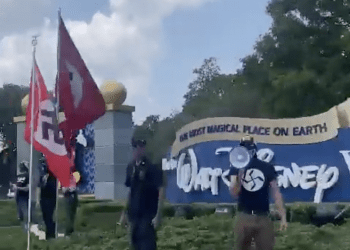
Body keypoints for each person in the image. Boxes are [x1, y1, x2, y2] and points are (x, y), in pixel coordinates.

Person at [229, 135, 288, 250]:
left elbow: (276, 194)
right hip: (244, 215)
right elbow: (234, 193)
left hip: (263, 216)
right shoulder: (236, 167)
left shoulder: (267, 167)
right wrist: (239, 176)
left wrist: (283, 217)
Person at [125, 138, 164, 250]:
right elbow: (130, 191)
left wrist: (158, 215)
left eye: (140, 147)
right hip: (134, 218)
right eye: (135, 148)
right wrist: (124, 213)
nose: (137, 150)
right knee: (135, 245)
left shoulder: (151, 167)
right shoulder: (130, 167)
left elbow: (161, 189)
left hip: (147, 217)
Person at [38, 155, 57, 240]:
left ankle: (51, 235)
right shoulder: (42, 175)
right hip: (43, 197)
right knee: (45, 217)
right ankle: (49, 234)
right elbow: (39, 186)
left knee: (49, 216)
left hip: (50, 197)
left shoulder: (53, 175)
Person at [14, 161, 30, 232]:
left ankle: (26, 227)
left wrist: (17, 189)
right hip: (19, 197)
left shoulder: (27, 175)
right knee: (20, 215)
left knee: (25, 213)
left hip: (24, 197)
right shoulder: (19, 176)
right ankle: (23, 228)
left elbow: (27, 188)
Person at [62, 169, 78, 237]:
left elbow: (75, 185)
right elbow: (63, 189)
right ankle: (67, 233)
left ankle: (72, 231)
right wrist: (69, 188)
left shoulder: (73, 176)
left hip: (74, 195)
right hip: (68, 196)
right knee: (69, 214)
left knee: (73, 214)